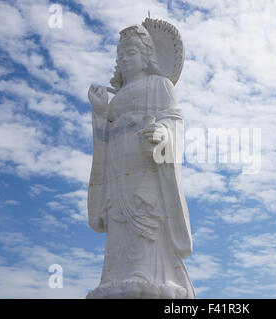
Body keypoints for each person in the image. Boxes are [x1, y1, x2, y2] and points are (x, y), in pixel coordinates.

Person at [86, 23, 194, 299]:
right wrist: (100, 113)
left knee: (143, 216)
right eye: (120, 55)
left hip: (146, 165)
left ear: (147, 55)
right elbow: (104, 136)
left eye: (130, 53)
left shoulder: (160, 85)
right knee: (117, 221)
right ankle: (114, 274)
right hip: (117, 168)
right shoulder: (117, 98)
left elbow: (174, 120)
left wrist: (162, 132)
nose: (123, 60)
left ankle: (146, 273)